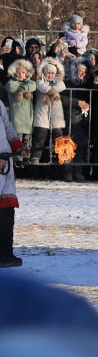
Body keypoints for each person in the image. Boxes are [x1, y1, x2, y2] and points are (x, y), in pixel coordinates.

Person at [0, 97, 25, 266]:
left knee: (7, 210)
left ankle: (5, 255)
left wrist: (19, 146)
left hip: (5, 162)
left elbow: (7, 126)